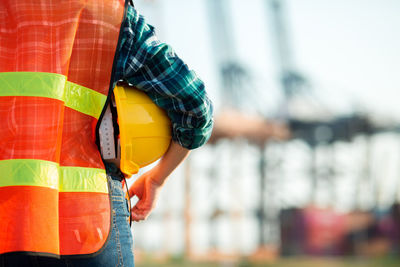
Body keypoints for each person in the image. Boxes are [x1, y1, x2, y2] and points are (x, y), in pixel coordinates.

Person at [0, 0, 213, 266]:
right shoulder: (110, 14)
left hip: (8, 224)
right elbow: (195, 106)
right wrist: (157, 178)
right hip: (90, 225)